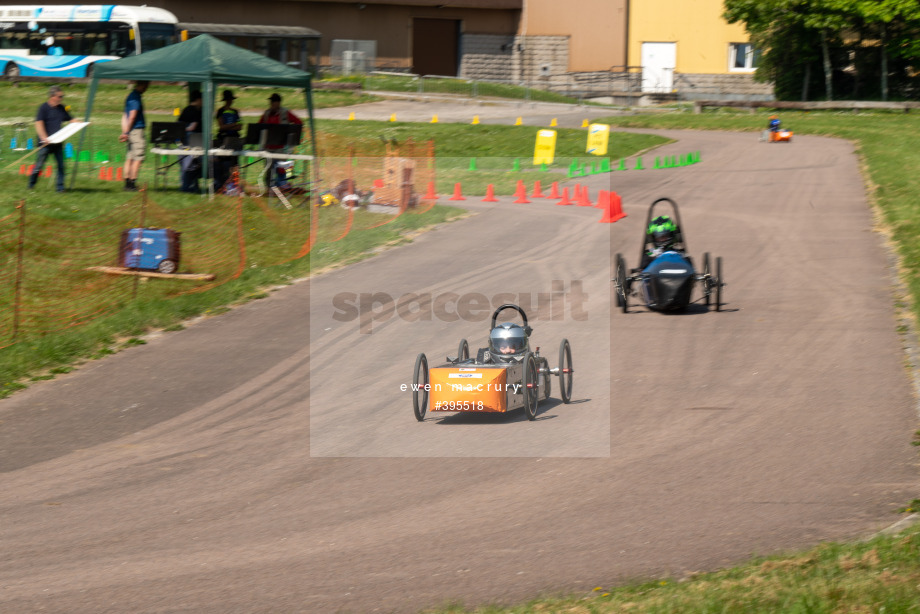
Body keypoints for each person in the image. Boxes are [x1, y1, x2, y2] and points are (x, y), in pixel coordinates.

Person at [28, 85, 74, 193]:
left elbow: (71, 119)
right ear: (52, 96)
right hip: (45, 144)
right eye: (60, 96)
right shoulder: (43, 108)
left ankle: (60, 188)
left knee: (61, 166)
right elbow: (39, 123)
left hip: (57, 143)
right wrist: (44, 137)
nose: (61, 98)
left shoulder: (62, 108)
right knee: (39, 166)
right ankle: (31, 184)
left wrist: (82, 123)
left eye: (62, 96)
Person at [259, 92, 303, 187]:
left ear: (278, 103)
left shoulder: (285, 113)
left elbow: (298, 123)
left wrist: (290, 135)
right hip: (268, 147)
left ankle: (283, 188)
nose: (272, 104)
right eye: (271, 102)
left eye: (274, 101)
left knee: (282, 170)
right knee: (269, 171)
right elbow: (259, 126)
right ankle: (268, 189)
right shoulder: (267, 114)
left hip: (281, 148)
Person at [119, 80, 149, 191]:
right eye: (147, 85)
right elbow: (132, 116)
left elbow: (124, 116)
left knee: (130, 157)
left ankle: (127, 184)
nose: (147, 87)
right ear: (143, 84)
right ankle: (132, 184)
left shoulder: (130, 96)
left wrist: (125, 132)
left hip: (130, 131)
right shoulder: (136, 97)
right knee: (138, 158)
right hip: (136, 131)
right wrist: (126, 132)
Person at [214, 89, 242, 190]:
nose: (230, 101)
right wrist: (233, 125)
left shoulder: (236, 111)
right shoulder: (220, 111)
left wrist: (228, 126)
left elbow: (240, 127)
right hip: (224, 139)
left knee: (235, 161)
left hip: (234, 139)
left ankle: (234, 184)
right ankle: (223, 183)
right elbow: (221, 127)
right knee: (224, 161)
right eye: (228, 99)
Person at [177, 90, 203, 193]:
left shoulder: (185, 110)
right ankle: (187, 186)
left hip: (181, 141)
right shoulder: (196, 111)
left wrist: (181, 130)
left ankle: (187, 185)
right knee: (192, 164)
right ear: (198, 99)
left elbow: (178, 124)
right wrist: (186, 130)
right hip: (193, 140)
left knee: (185, 164)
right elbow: (193, 127)